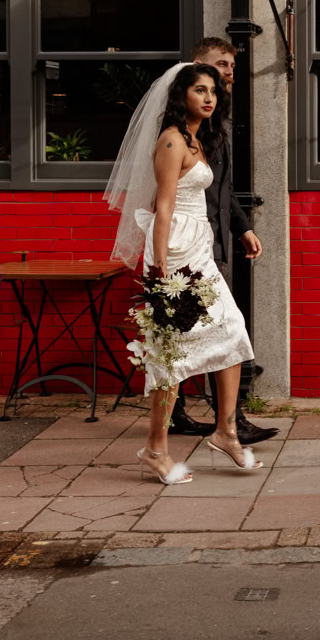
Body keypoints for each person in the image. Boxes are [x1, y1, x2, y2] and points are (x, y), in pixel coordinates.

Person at [105, 63, 261, 484]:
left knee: (232, 331)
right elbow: (164, 207)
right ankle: (155, 449)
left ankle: (226, 430)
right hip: (175, 253)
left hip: (201, 249)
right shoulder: (173, 141)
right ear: (181, 95)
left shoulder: (201, 138)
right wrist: (158, 269)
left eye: (213, 91)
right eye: (199, 90)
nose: (209, 98)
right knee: (170, 355)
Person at [164, 37, 276, 444]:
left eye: (230, 67)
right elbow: (172, 199)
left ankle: (182, 421)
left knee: (193, 331)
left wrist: (242, 227)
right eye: (221, 65)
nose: (229, 72)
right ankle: (228, 423)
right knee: (215, 330)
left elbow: (223, 191)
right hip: (188, 245)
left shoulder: (212, 123)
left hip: (208, 243)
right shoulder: (181, 131)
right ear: (196, 68)